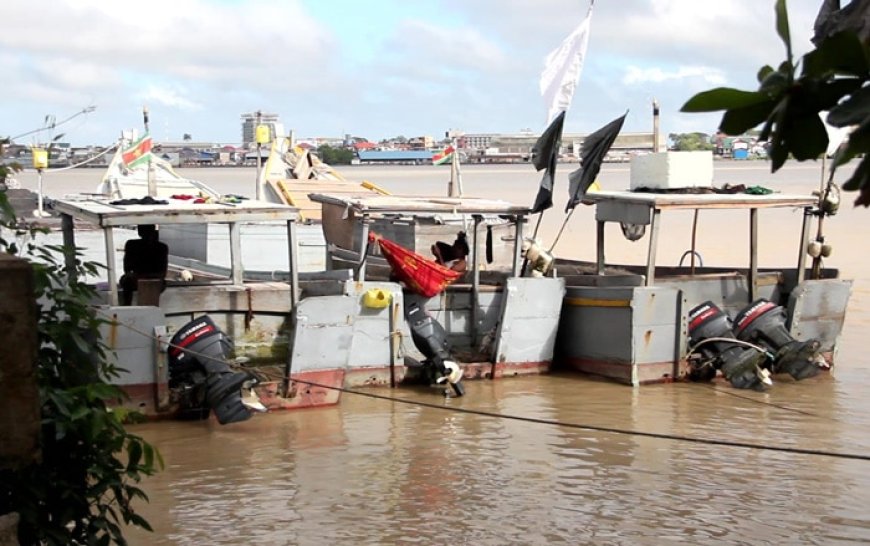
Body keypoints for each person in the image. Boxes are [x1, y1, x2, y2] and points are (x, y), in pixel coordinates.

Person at [120, 224, 169, 305]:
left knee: (126, 280)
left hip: (137, 280)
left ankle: (127, 304)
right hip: (156, 281)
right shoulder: (162, 247)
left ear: (139, 232)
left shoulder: (131, 244)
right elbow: (163, 272)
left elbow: (127, 269)